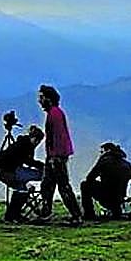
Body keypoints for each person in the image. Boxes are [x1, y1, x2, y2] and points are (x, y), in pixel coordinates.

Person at [37, 84, 81, 224]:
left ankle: (76, 215)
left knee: (62, 186)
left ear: (48, 99)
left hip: (56, 156)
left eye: (42, 97)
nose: (39, 101)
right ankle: (46, 213)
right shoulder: (55, 113)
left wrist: (54, 156)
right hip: (55, 155)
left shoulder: (54, 114)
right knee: (47, 185)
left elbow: (58, 136)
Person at [81, 142, 131, 220]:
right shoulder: (127, 165)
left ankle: (89, 215)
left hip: (106, 197)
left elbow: (89, 178)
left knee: (85, 185)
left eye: (101, 152)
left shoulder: (104, 161)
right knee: (115, 198)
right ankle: (116, 212)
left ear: (107, 150)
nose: (100, 154)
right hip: (119, 199)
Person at [0, 125, 45, 222]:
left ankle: (11, 216)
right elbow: (29, 161)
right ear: (33, 138)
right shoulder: (25, 145)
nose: (37, 143)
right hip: (7, 169)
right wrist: (43, 167)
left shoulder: (23, 143)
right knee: (39, 175)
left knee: (22, 189)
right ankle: (14, 215)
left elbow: (28, 161)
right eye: (37, 141)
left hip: (2, 169)